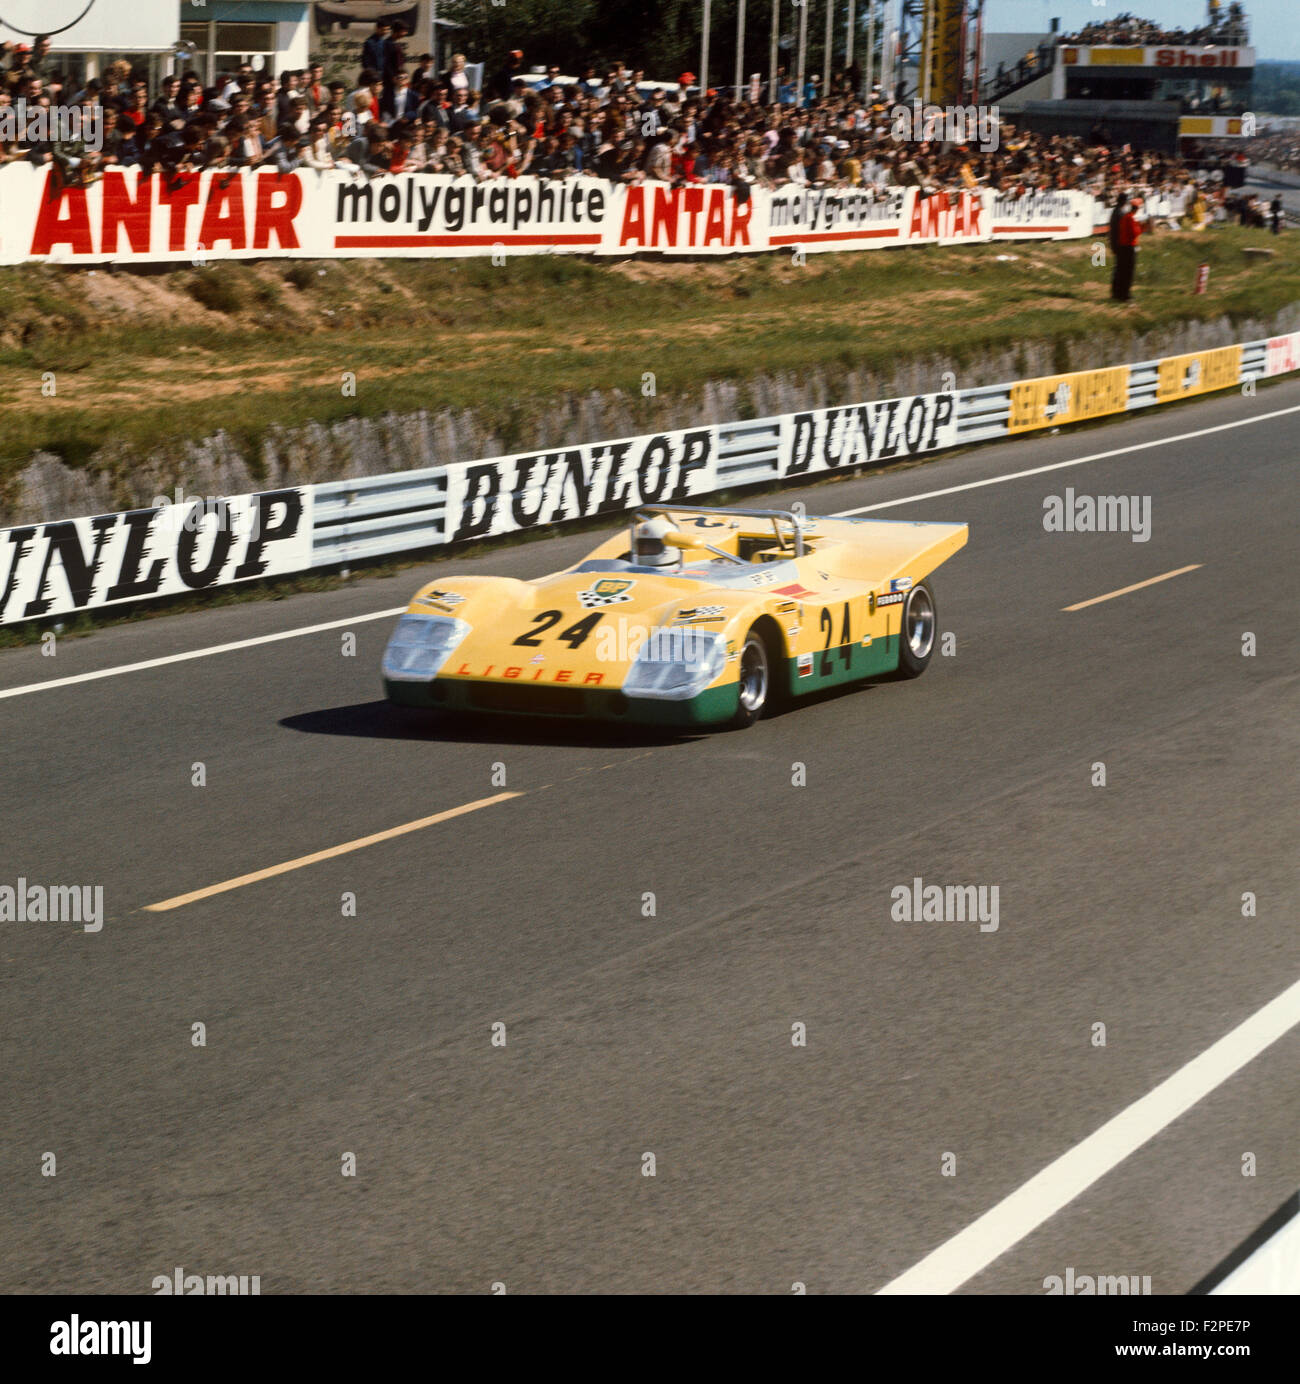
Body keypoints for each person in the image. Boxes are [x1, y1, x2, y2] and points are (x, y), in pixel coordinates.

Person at [1113, 195, 1143, 302]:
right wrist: (1140, 226)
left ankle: (1120, 293)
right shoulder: (1131, 218)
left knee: (1122, 271)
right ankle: (1126, 295)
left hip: (1122, 246)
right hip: (1129, 247)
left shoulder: (1125, 216)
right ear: (1137, 208)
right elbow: (1135, 233)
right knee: (1128, 272)